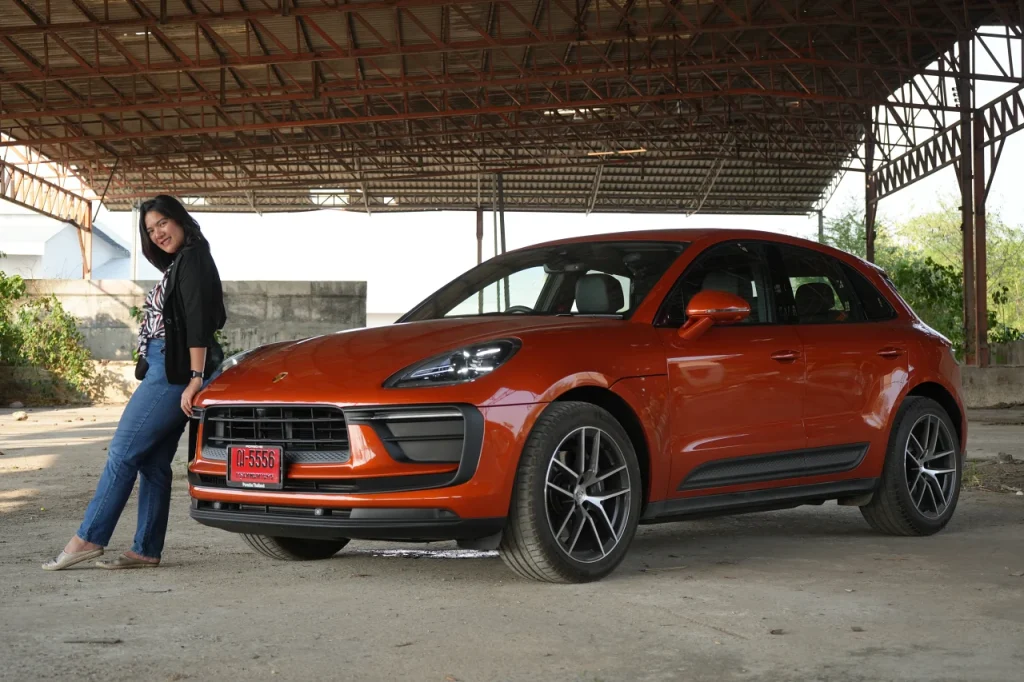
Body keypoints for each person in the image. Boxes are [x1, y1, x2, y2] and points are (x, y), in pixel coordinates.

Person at [42, 195, 226, 570]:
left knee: (123, 451)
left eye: (162, 223)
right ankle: (145, 548)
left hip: (175, 371)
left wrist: (194, 378)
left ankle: (89, 538)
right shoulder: (182, 263)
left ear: (179, 220)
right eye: (150, 229)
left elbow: (198, 324)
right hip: (169, 366)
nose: (157, 233)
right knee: (153, 462)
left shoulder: (192, 259)